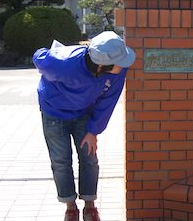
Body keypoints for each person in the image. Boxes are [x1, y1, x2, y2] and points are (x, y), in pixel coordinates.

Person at [32, 31, 135, 221]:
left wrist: (93, 131)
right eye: (121, 60)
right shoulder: (62, 64)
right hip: (54, 111)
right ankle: (70, 206)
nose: (125, 63)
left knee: (89, 158)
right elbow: (39, 57)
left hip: (83, 113)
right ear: (102, 64)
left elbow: (108, 102)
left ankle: (90, 205)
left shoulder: (118, 71)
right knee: (61, 161)